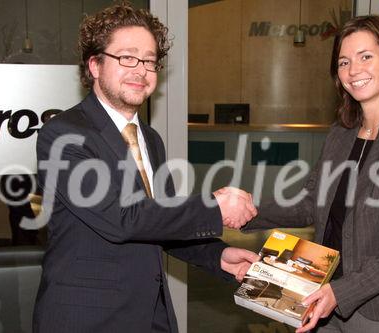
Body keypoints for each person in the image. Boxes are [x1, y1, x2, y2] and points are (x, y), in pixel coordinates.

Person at [32, 3, 258, 332]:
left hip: (151, 315)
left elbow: (159, 221)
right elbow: (121, 218)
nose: (141, 70)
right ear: (94, 65)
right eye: (127, 57)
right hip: (87, 319)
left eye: (150, 61)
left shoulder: (149, 139)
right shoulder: (63, 135)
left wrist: (217, 257)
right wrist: (214, 207)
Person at [244, 15, 379, 333]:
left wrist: (342, 291)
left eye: (366, 57)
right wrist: (245, 211)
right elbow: (309, 203)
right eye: (343, 62)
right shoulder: (342, 133)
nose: (354, 71)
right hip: (322, 296)